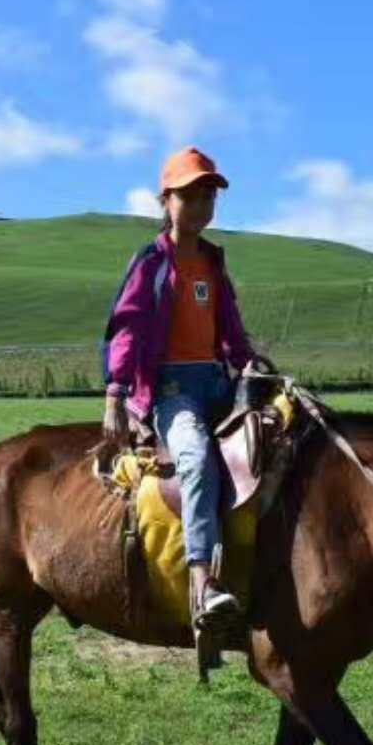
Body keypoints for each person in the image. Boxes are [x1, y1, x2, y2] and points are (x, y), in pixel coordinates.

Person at [102, 146, 264, 654]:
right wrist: (115, 394)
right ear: (165, 200)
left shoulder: (214, 262)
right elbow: (127, 329)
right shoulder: (152, 262)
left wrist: (250, 363)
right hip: (171, 387)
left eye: (208, 195)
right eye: (189, 195)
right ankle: (202, 583)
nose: (200, 205)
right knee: (194, 460)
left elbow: (231, 330)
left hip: (218, 381)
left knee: (282, 439)